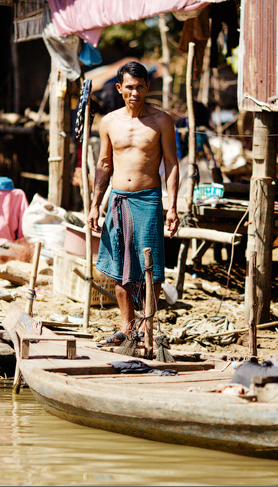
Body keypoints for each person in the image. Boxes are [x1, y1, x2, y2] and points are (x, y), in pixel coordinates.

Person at [87, 61, 179, 346]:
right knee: (119, 268)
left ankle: (148, 327)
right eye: (129, 87)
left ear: (148, 87)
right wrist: (95, 204)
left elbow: (172, 165)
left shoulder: (162, 121)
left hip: (149, 200)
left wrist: (172, 206)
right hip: (117, 201)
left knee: (151, 269)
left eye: (140, 87)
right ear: (119, 88)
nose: (135, 92)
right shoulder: (109, 122)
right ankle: (127, 329)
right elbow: (103, 164)